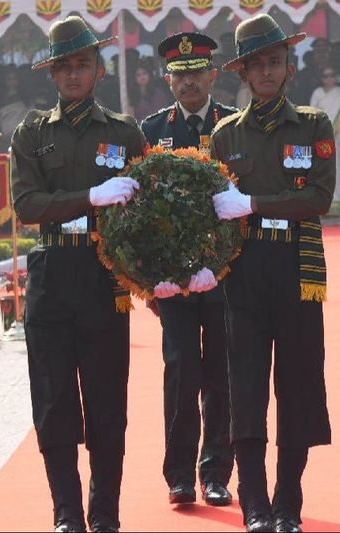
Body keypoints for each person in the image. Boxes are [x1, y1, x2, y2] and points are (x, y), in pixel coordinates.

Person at [9, 15, 146, 533]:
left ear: (99, 70)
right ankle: (66, 513)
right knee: (54, 401)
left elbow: (147, 206)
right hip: (51, 271)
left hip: (103, 272)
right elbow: (27, 204)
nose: (73, 74)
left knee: (108, 402)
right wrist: (89, 196)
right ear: (51, 73)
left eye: (82, 64)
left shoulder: (124, 132)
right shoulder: (32, 133)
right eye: (63, 66)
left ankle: (104, 514)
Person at [209, 14, 334, 533]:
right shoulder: (225, 136)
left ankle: (288, 504)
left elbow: (319, 198)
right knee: (246, 388)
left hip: (296, 266)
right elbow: (212, 213)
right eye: (257, 63)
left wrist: (255, 203)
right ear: (242, 72)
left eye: (275, 62)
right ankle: (255, 502)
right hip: (245, 271)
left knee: (297, 385)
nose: (266, 71)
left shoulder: (313, 125)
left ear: (289, 67)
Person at [139, 31, 238, 509]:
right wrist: (146, 280)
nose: (189, 83)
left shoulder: (232, 126)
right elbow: (138, 206)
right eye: (180, 76)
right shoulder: (152, 130)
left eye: (197, 73)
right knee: (180, 372)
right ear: (168, 80)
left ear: (213, 75)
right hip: (173, 278)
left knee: (221, 373)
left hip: (224, 274)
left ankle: (216, 472)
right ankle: (178, 474)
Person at [310, 66, 340, 216]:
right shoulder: (317, 93)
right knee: (324, 170)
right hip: (322, 136)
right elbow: (312, 114)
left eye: (332, 75)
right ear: (322, 79)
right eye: (326, 76)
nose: (329, 78)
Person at [0, 67, 29, 152]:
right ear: (5, 81)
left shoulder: (26, 99)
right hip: (6, 141)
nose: (12, 82)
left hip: (22, 139)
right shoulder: (0, 100)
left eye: (14, 78)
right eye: (9, 79)